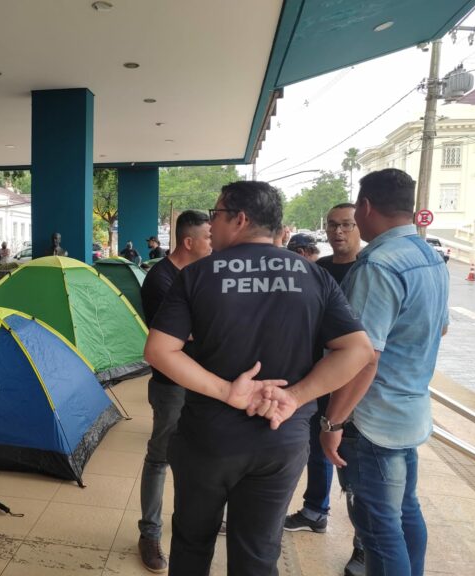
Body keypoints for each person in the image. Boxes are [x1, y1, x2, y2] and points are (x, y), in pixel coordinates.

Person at [144, 180, 373, 576]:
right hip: (279, 439)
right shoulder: (312, 275)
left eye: (216, 215)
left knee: (192, 544)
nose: (210, 226)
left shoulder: (198, 275)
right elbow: (358, 350)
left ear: (240, 218)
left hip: (208, 440)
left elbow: (159, 350)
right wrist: (295, 397)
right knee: (257, 553)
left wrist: (227, 391)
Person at [319, 169, 449, 576]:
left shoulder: (378, 265)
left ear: (367, 207)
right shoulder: (431, 257)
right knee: (406, 512)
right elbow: (440, 327)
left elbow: (363, 356)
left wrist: (333, 420)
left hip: (371, 419)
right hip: (409, 412)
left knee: (377, 529)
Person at [284, 202, 365, 573]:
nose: (338, 232)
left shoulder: (370, 271)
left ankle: (364, 541)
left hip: (360, 384)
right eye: (332, 225)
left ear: (359, 224)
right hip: (320, 376)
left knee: (353, 464)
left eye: (346, 224)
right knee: (318, 447)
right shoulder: (319, 271)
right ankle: (315, 509)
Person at [137, 210, 212, 572]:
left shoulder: (199, 273)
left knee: (198, 458)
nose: (213, 244)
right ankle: (150, 532)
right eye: (208, 238)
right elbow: (184, 336)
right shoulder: (161, 280)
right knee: (160, 457)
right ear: (189, 242)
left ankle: (197, 522)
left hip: (202, 382)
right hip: (171, 386)